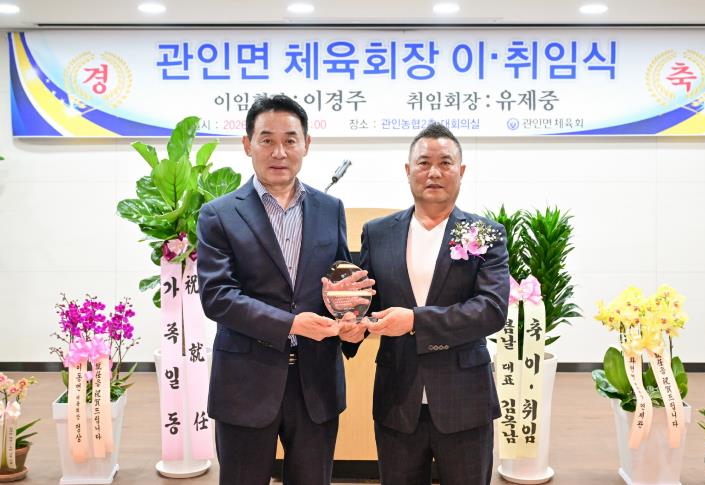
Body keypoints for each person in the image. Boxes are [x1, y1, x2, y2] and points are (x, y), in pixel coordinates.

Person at [196, 94, 367, 485]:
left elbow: (339, 284)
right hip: (245, 381)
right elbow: (218, 297)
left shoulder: (330, 209)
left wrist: (351, 321)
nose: (279, 152)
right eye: (266, 139)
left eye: (290, 140)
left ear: (306, 144)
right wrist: (291, 323)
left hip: (316, 383)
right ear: (247, 144)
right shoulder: (218, 214)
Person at [359, 123, 510, 485]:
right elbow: (368, 301)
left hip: (465, 399)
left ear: (461, 170)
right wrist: (349, 320)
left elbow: (491, 310)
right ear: (408, 170)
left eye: (445, 162)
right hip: (397, 397)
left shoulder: (485, 233)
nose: (434, 172)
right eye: (424, 163)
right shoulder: (377, 233)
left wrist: (415, 320)